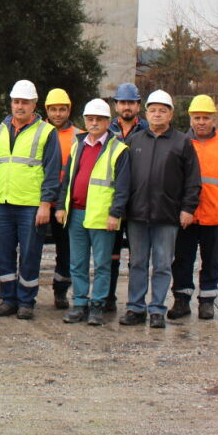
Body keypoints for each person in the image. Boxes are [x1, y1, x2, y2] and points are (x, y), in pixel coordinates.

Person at [0, 80, 62, 320]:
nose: (20, 106)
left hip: (30, 205)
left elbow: (52, 171)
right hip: (3, 203)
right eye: (16, 102)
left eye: (25, 102)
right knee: (3, 254)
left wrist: (45, 203)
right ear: (11, 103)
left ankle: (26, 301)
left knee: (29, 254)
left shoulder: (47, 132)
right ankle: (8, 299)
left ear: (34, 105)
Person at [119, 90, 201, 329]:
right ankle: (135, 308)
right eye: (153, 110)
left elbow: (193, 179)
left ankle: (157, 309)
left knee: (163, 264)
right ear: (146, 113)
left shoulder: (182, 142)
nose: (157, 114)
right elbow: (124, 177)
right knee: (137, 263)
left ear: (171, 114)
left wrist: (188, 209)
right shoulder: (135, 140)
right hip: (137, 214)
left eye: (162, 110)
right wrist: (122, 208)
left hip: (167, 215)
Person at [170, 94, 218, 321]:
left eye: (205, 117)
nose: (201, 122)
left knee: (211, 261)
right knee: (182, 260)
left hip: (215, 215)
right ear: (190, 119)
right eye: (196, 117)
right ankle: (181, 301)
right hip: (187, 216)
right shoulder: (180, 143)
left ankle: (207, 301)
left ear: (214, 119)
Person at [58, 99, 130, 326]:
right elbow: (67, 179)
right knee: (77, 263)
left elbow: (123, 186)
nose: (94, 123)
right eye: (90, 119)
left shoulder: (118, 149)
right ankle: (79, 304)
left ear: (108, 122)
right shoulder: (77, 145)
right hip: (77, 213)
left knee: (101, 264)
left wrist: (115, 214)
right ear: (85, 120)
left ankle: (97, 306)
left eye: (99, 119)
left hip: (101, 216)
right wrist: (61, 206)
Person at [102, 81, 148, 313]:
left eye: (131, 103)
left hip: (139, 202)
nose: (126, 107)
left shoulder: (148, 131)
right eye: (122, 103)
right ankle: (108, 297)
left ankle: (135, 302)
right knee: (111, 254)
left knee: (138, 257)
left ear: (138, 106)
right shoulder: (106, 130)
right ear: (116, 106)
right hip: (113, 201)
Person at [43, 88, 80, 310]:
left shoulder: (79, 135)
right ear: (47, 110)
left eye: (62, 109)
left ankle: (60, 291)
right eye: (54, 109)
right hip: (41, 200)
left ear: (69, 110)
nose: (58, 114)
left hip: (65, 202)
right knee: (31, 247)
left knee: (65, 250)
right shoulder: (39, 132)